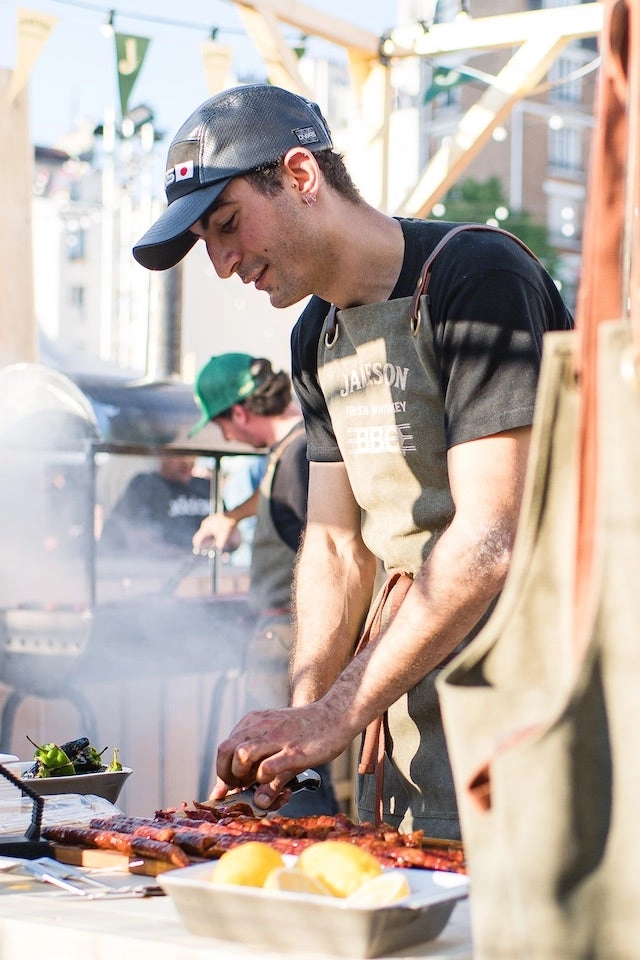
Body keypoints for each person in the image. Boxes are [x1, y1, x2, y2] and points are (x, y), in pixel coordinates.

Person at [133, 84, 574, 838]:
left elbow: (490, 534)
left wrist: (335, 711)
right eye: (207, 240)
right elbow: (336, 546)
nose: (222, 262)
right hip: (402, 702)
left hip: (532, 692)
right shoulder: (315, 336)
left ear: (301, 176)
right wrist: (302, 726)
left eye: (227, 224)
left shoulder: (478, 277)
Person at [189, 352, 338, 818]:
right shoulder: (292, 450)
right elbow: (274, 501)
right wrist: (231, 517)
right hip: (285, 642)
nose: (226, 437)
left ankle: (305, 857)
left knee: (287, 776)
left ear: (239, 412)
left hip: (290, 645)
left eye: (222, 426)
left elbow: (326, 549)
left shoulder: (296, 455)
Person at [100, 455, 211, 553]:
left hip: (210, 571)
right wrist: (179, 555)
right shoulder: (144, 485)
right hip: (161, 571)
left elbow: (224, 531)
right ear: (162, 455)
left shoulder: (206, 486)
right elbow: (130, 535)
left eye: (192, 455)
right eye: (180, 455)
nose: (187, 461)